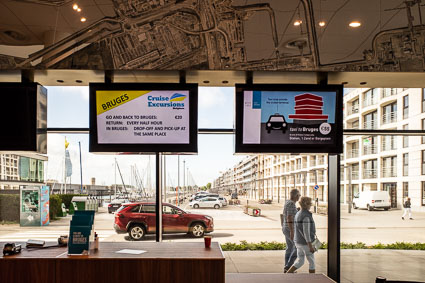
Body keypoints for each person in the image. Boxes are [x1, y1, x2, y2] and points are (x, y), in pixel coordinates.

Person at [287, 196, 316, 274]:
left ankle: (288, 274)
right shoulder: (306, 216)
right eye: (310, 204)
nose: (311, 205)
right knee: (312, 262)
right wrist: (310, 245)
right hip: (305, 244)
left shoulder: (298, 213)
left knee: (300, 261)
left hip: (298, 242)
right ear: (307, 204)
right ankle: (312, 280)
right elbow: (306, 232)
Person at [282, 189, 300, 273]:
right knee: (297, 247)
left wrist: (297, 211)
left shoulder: (287, 202)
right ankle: (288, 266)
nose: (299, 197)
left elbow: (289, 215)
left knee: (289, 247)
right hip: (289, 228)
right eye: (299, 196)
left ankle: (287, 267)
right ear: (296, 196)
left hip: (286, 227)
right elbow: (289, 217)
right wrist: (292, 232)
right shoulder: (291, 204)